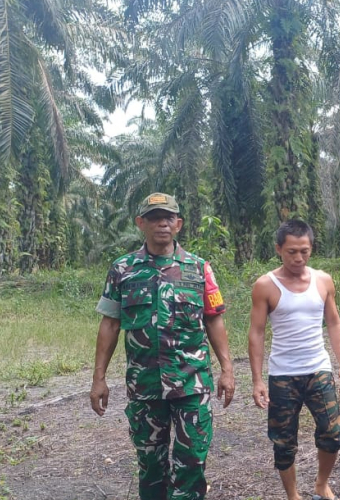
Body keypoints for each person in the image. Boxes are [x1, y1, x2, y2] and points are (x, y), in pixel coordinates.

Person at [90, 192, 235, 500]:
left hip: (192, 382)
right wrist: (98, 378)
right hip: (145, 386)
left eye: (168, 218)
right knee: (151, 466)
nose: (162, 224)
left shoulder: (199, 269)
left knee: (192, 461)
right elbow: (110, 324)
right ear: (141, 223)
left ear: (178, 224)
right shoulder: (122, 269)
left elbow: (214, 320)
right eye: (154, 218)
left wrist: (227, 370)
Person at [248, 220, 340, 500]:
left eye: (304, 251)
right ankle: (293, 495)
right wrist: (257, 380)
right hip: (283, 375)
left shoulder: (323, 280)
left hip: (318, 369)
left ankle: (321, 484)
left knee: (333, 432)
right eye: (291, 251)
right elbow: (256, 333)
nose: (298, 258)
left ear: (311, 248)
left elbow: (333, 322)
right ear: (278, 249)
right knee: (283, 442)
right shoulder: (265, 286)